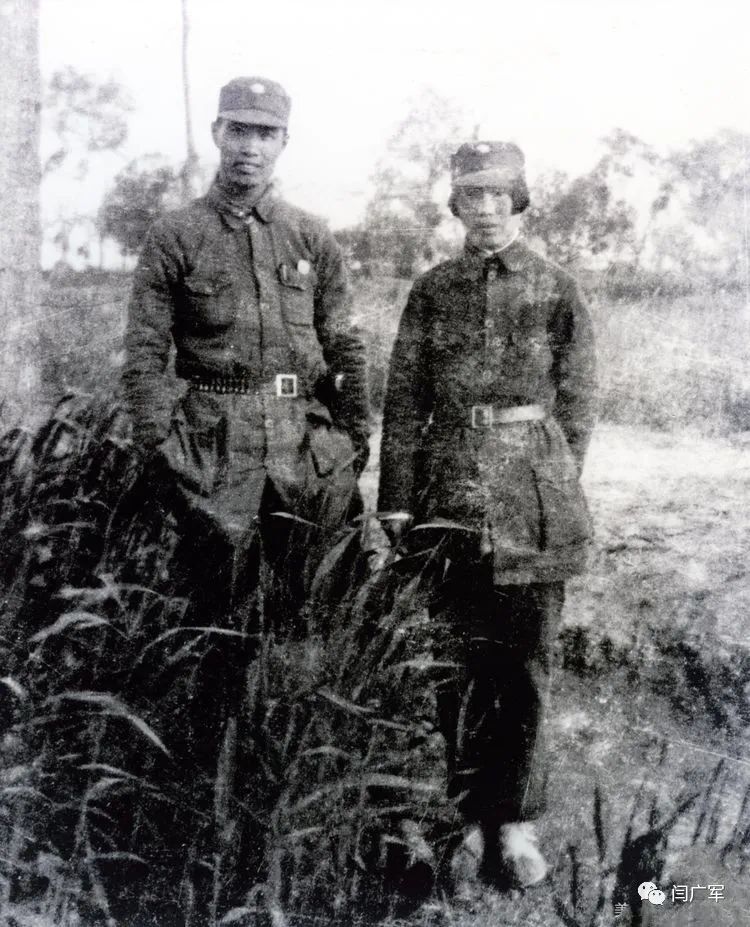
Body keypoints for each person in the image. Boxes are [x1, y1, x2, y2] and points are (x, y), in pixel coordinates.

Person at [377, 141, 596, 892]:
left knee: (527, 660)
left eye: (501, 194)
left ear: (519, 200)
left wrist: (552, 480)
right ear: (457, 205)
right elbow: (404, 398)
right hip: (450, 492)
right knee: (460, 661)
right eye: (473, 195)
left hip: (534, 494)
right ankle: (470, 815)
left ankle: (516, 820)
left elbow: (578, 401)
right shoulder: (433, 290)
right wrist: (398, 498)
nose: (488, 208)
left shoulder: (556, 286)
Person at [122, 75, 370, 620]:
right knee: (216, 612)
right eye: (238, 131)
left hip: (303, 447)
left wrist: (353, 437)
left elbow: (345, 344)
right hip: (213, 448)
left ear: (284, 141)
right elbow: (143, 353)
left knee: (314, 604)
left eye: (265, 134)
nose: (250, 147)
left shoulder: (311, 235)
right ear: (217, 132)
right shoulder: (176, 234)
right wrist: (161, 447)